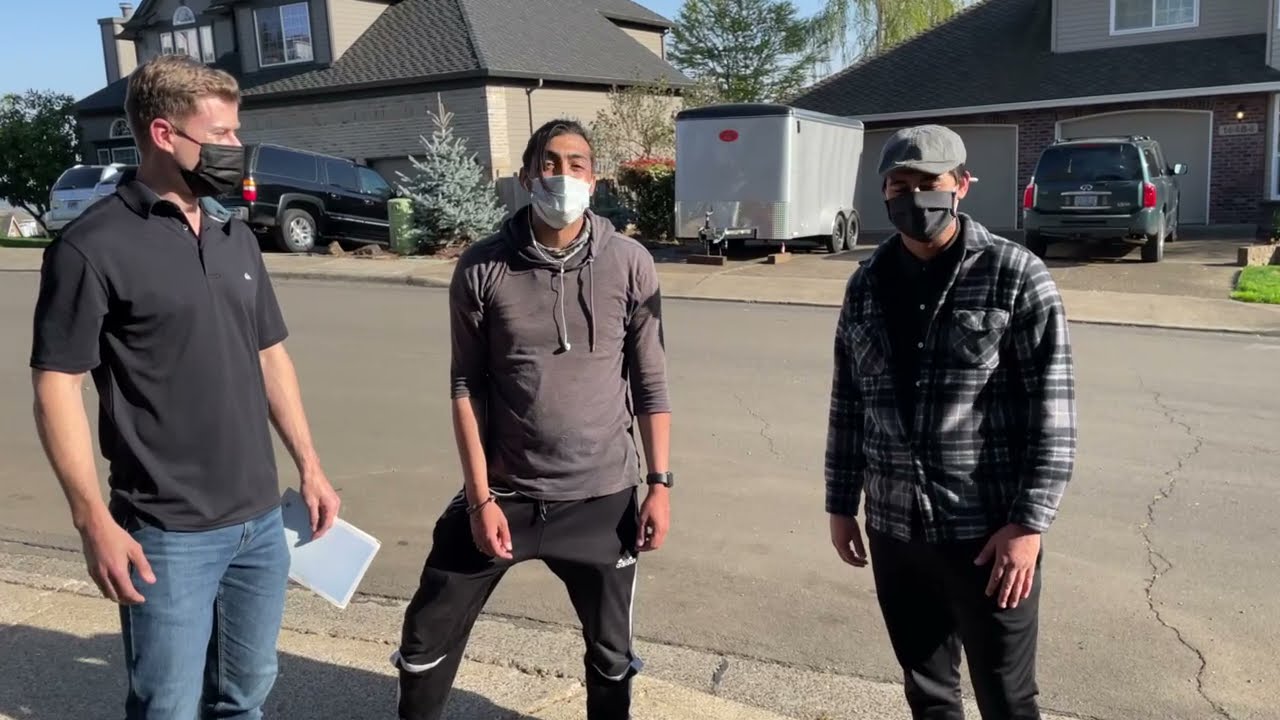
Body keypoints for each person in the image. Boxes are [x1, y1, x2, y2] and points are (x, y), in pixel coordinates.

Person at [29, 54, 340, 719]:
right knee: (167, 706)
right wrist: (91, 519)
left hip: (260, 522)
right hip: (166, 532)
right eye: (220, 133)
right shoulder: (92, 247)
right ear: (165, 134)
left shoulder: (234, 234)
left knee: (245, 696)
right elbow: (57, 387)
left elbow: (271, 356)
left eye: (236, 131)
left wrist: (310, 467)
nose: (235, 146)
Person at [393, 118, 673, 720]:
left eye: (576, 164)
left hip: (601, 499)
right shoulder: (482, 266)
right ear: (526, 177)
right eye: (549, 163)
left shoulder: (630, 263)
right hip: (505, 495)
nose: (562, 176)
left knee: (612, 656)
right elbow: (465, 386)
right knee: (424, 637)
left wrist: (660, 484)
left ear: (594, 180)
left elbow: (650, 383)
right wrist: (479, 500)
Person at [825, 125, 1077, 720]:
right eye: (901, 185)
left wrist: (1028, 524)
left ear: (962, 185)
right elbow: (848, 405)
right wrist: (840, 504)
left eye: (930, 183)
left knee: (1007, 697)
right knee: (928, 691)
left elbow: (1053, 413)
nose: (916, 198)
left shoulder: (1015, 274)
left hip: (986, 534)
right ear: (884, 193)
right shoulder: (866, 285)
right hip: (895, 529)